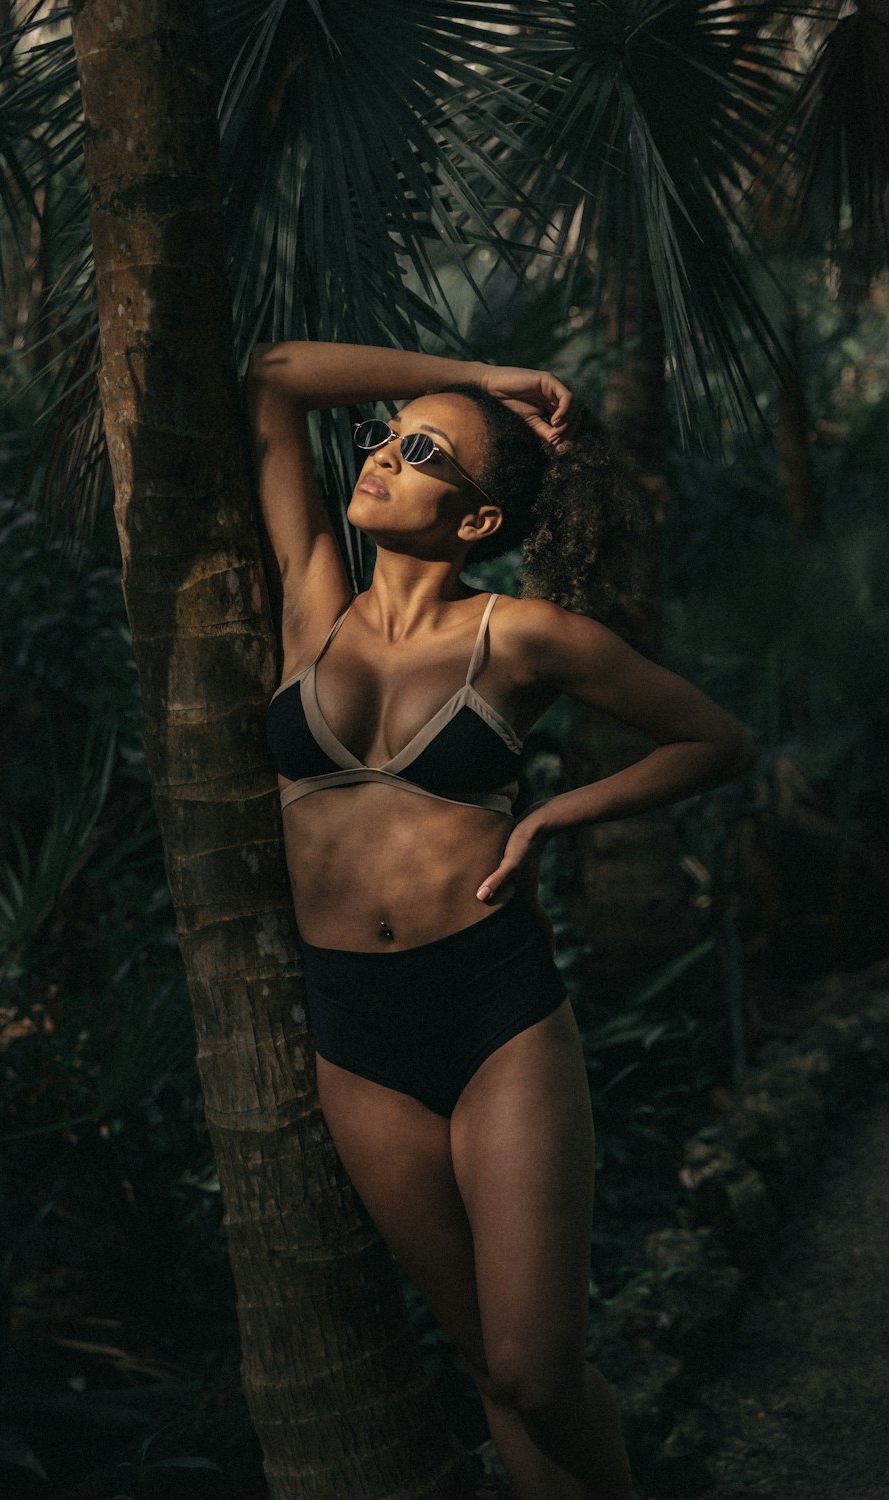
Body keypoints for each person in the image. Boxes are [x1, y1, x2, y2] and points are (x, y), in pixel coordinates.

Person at [244, 341, 758, 1500]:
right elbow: (275, 375)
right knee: (479, 1357)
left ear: (475, 522)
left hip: (491, 1010)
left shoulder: (517, 636)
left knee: (532, 1368)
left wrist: (552, 818)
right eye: (384, 434)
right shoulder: (312, 599)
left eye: (421, 451)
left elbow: (717, 741)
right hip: (354, 1030)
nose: (380, 454)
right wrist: (485, 378)